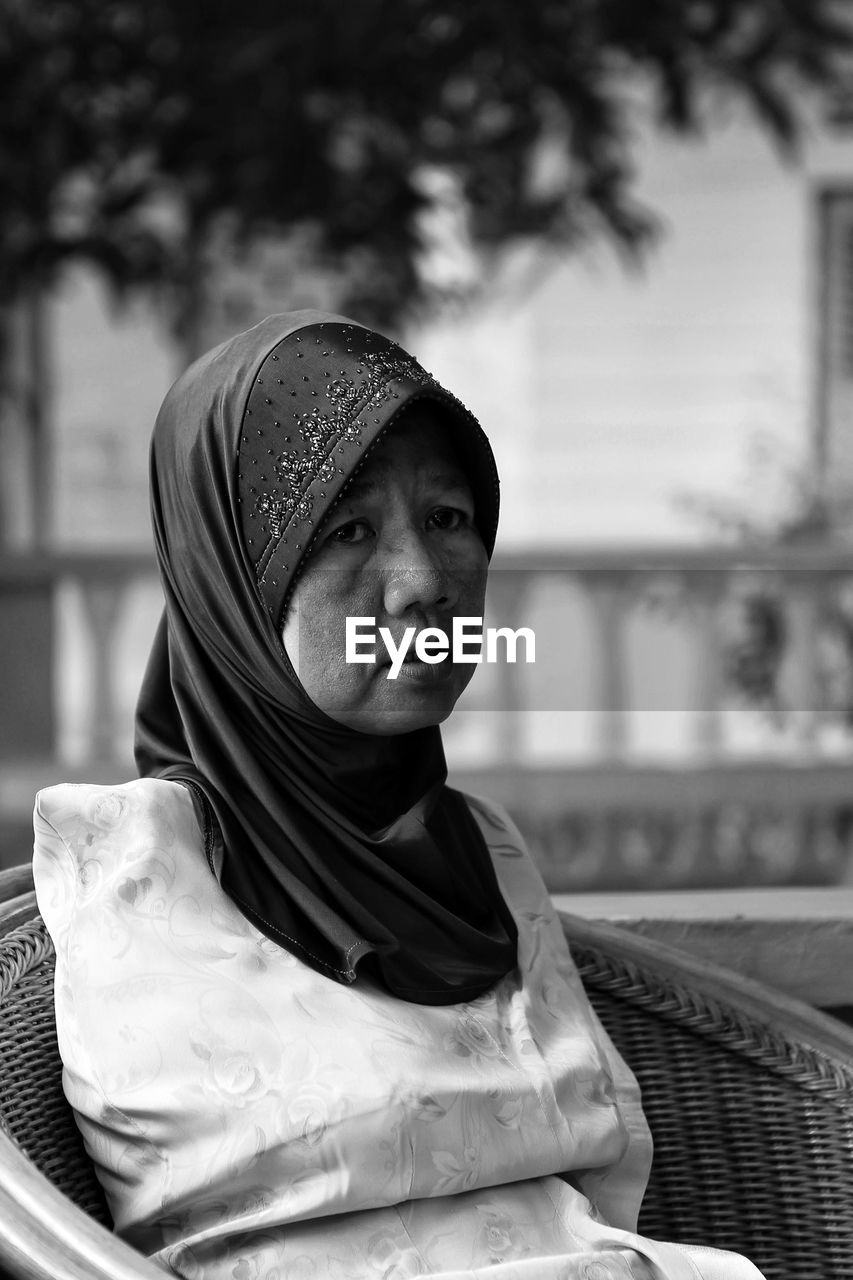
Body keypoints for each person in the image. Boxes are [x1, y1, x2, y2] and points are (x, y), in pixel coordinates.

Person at [32, 312, 765, 1280]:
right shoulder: (145, 869)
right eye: (344, 529)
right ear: (232, 585)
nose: (423, 583)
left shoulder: (477, 850)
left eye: (448, 518)